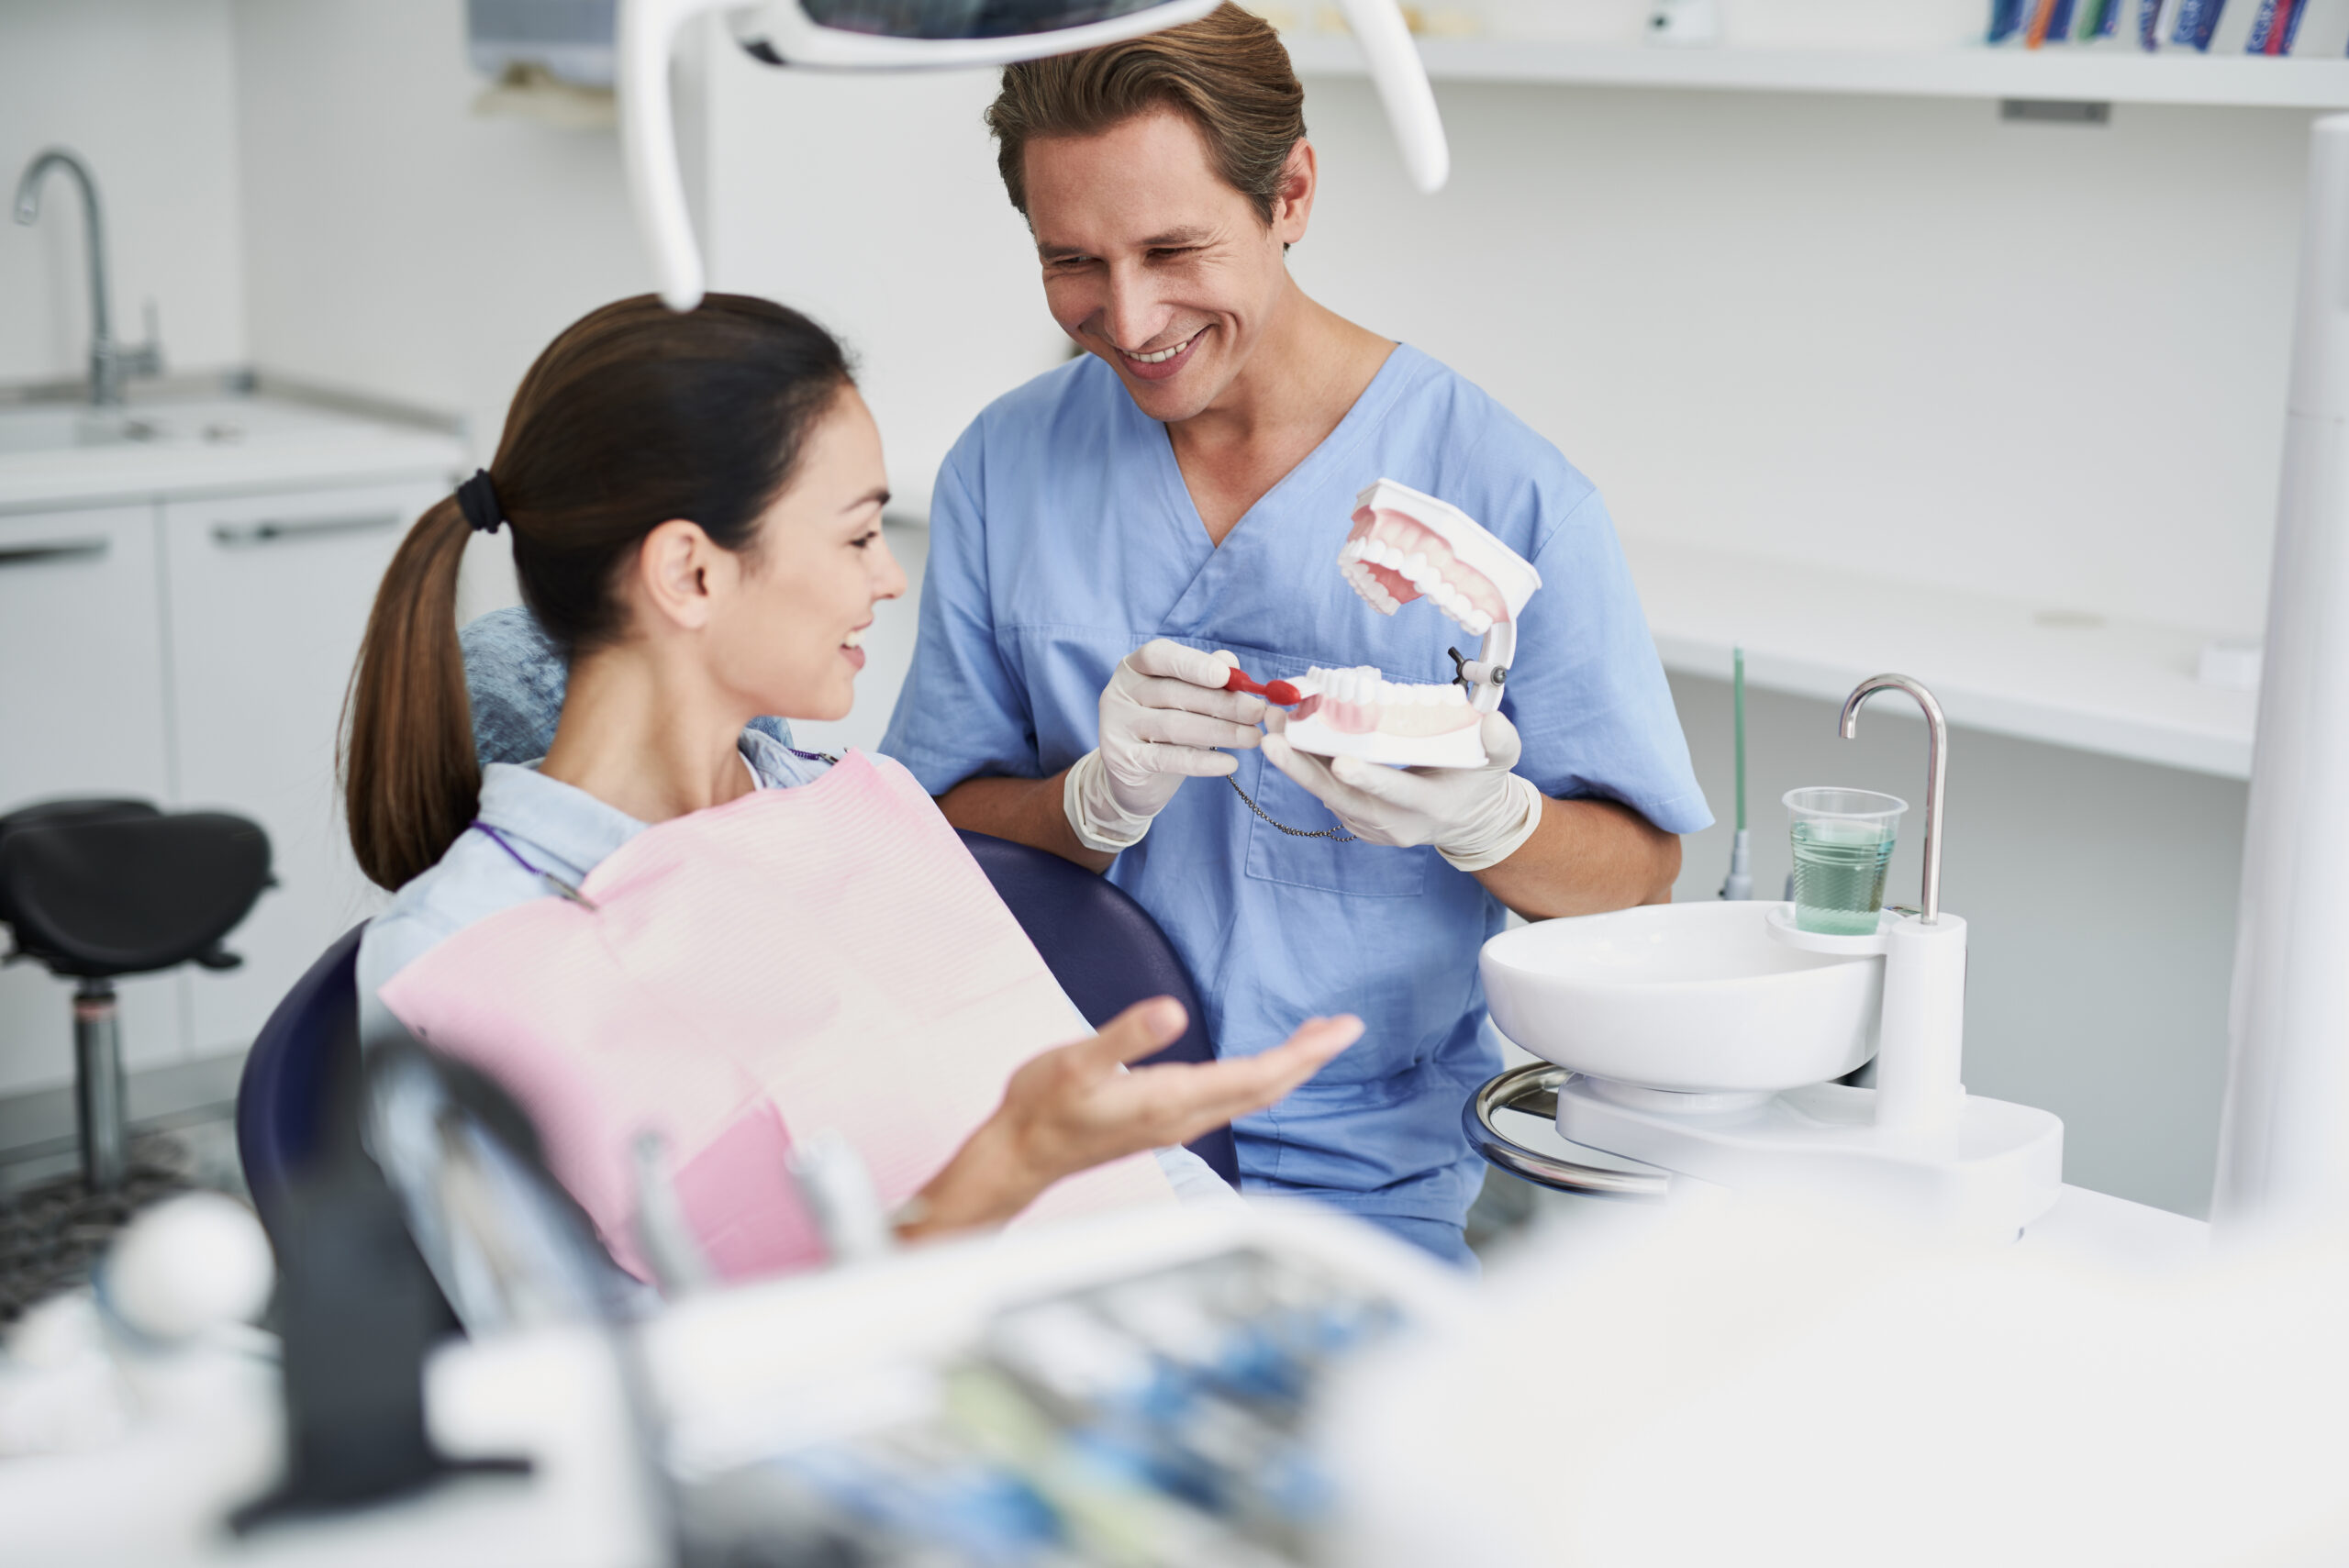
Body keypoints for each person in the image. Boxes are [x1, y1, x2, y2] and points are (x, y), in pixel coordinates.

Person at [876, 6, 1709, 1263]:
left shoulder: (1504, 491)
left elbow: (1639, 882)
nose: (1131, 317)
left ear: (1293, 193)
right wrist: (1087, 807)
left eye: (1172, 248)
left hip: (1359, 1186)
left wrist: (1496, 824)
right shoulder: (1007, 466)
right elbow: (933, 828)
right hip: (1063, 1159)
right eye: (1073, 262)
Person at [344, 294, 1359, 1256]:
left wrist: (1254, 1278)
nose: (888, 575)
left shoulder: (851, 805)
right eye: (858, 533)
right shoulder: (451, 957)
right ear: (691, 573)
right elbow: (600, 1388)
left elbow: (1126, 1168)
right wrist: (983, 1191)